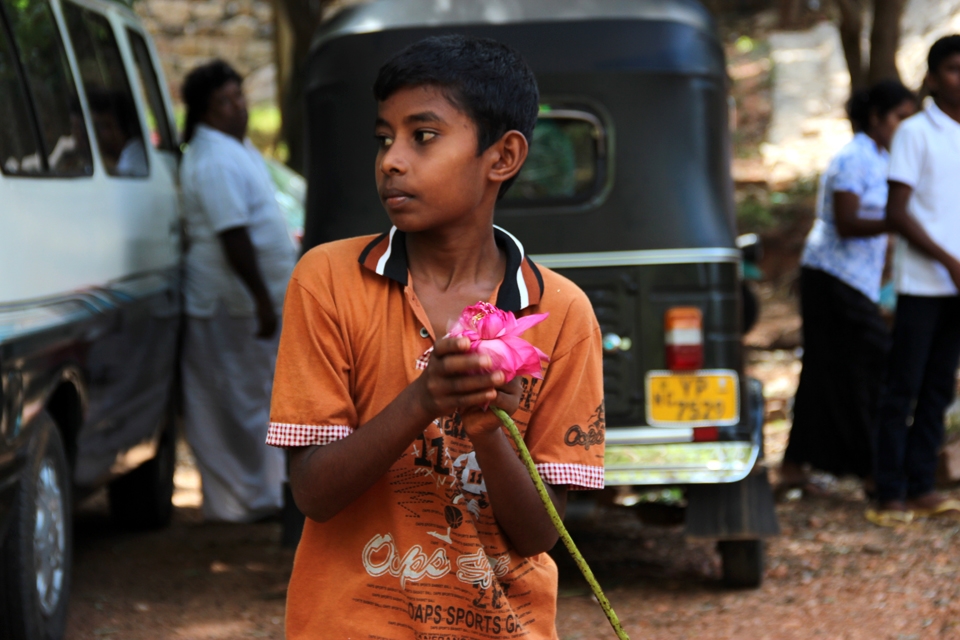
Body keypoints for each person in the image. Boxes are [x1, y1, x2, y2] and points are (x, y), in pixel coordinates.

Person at [266, 35, 605, 639]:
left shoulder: (562, 313)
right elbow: (313, 492)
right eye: (383, 138)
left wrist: (487, 430)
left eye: (423, 137)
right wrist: (423, 400)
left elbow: (537, 534)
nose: (392, 160)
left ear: (502, 157)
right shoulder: (327, 281)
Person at [779, 81, 916, 497]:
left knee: (827, 368)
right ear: (876, 118)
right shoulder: (855, 157)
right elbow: (848, 220)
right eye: (899, 118)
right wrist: (899, 223)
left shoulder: (882, 158)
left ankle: (796, 464)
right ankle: (869, 468)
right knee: (867, 364)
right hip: (832, 275)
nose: (905, 128)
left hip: (853, 278)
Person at [179, 60, 296, 522]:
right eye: (225, 101)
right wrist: (261, 299)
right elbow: (234, 237)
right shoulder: (212, 160)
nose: (238, 108)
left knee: (255, 396)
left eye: (239, 97)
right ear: (206, 111)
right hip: (230, 304)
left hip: (249, 304)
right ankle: (238, 502)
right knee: (233, 400)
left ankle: (259, 493)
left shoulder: (235, 148)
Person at [868, 36, 960, 526]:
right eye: (952, 68)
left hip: (957, 286)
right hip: (924, 283)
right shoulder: (916, 133)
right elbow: (896, 213)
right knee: (903, 386)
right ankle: (889, 492)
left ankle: (924, 485)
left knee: (940, 387)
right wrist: (948, 259)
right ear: (931, 78)